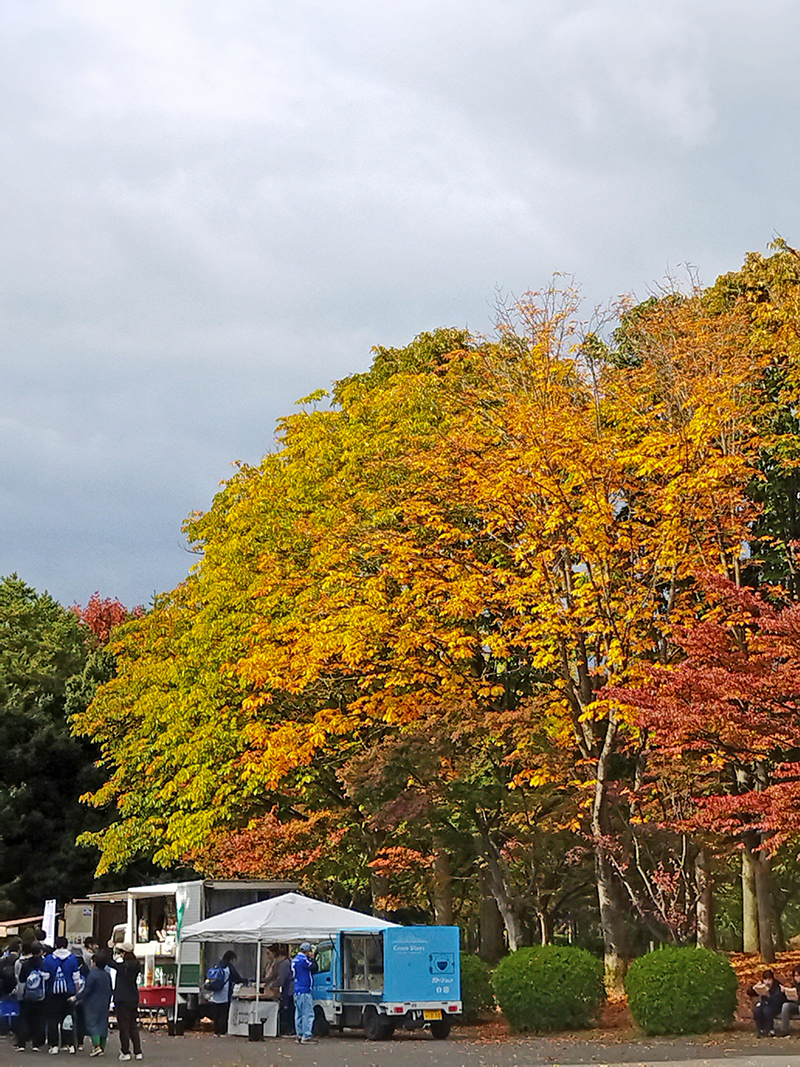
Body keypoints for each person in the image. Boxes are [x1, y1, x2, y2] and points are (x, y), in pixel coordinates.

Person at [44, 936, 82, 1054]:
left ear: (55, 945)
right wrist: (77, 994)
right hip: (69, 993)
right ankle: (69, 1044)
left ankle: (54, 1045)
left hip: (53, 993)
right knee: (68, 1018)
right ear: (66, 945)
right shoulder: (72, 959)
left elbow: (45, 977)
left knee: (53, 1019)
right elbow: (76, 978)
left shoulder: (49, 959)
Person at [107, 943, 142, 1061]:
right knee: (133, 1025)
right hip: (133, 997)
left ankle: (125, 1051)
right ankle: (138, 1051)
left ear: (124, 953)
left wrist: (109, 950)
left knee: (123, 1026)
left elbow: (110, 963)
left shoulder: (123, 966)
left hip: (122, 999)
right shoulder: (136, 965)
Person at [74, 954, 112, 1057]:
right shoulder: (106, 975)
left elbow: (87, 990)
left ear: (94, 962)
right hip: (104, 1002)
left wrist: (76, 997)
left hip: (92, 1003)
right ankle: (102, 1047)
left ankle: (96, 1046)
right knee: (103, 1023)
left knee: (92, 1024)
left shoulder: (92, 975)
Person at [15, 942, 49, 1051]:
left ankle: (22, 1043)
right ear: (41, 952)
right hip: (41, 996)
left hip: (28, 995)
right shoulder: (44, 963)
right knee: (39, 1019)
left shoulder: (25, 964)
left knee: (25, 1018)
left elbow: (21, 980)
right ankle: (36, 1043)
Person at [209, 950, 243, 1036]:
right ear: (231, 959)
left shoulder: (217, 965)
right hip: (225, 994)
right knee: (224, 1014)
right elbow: (237, 978)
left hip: (215, 994)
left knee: (216, 1014)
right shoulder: (229, 967)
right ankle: (223, 1031)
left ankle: (216, 1031)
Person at [291, 942, 318, 1044]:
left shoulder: (295, 960)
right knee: (308, 1013)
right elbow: (314, 967)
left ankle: (299, 1034)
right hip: (304, 990)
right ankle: (306, 1035)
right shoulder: (303, 960)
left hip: (296, 989)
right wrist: (313, 958)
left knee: (298, 1013)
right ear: (308, 951)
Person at [748, 968, 786, 1037]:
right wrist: (754, 988)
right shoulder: (763, 985)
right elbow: (750, 993)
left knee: (767, 1010)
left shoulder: (777, 986)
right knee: (757, 1009)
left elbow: (778, 999)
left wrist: (768, 995)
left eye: (769, 980)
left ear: (772, 979)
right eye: (765, 980)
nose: (767, 982)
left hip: (775, 1006)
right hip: (765, 1004)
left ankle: (770, 1029)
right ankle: (761, 1028)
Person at [276, 945, 294, 1036]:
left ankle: (290, 1029)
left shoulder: (284, 964)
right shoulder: (289, 962)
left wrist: (273, 985)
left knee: (288, 1010)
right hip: (292, 989)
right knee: (292, 1010)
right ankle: (291, 1028)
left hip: (289, 990)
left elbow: (281, 979)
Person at [777, 966, 800, 1036]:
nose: (797, 978)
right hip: (795, 1004)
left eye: (799, 975)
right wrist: (784, 992)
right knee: (785, 1006)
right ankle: (784, 1030)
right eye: (796, 976)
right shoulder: (792, 984)